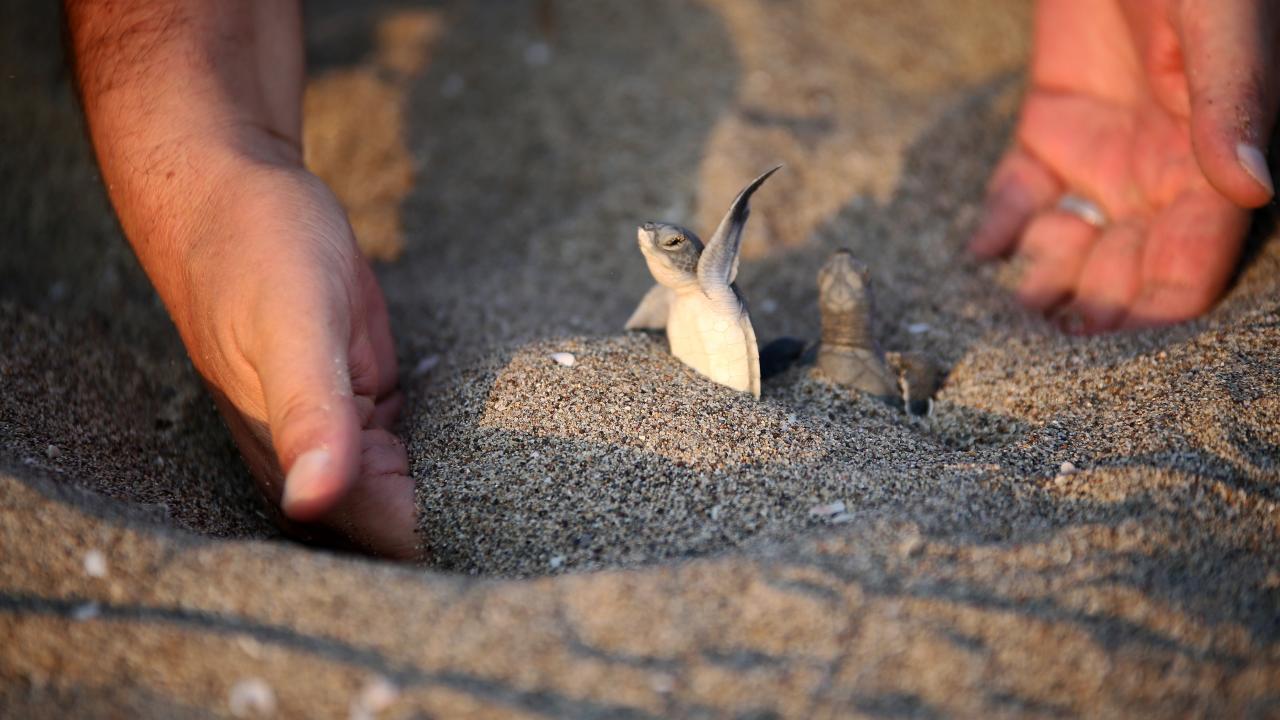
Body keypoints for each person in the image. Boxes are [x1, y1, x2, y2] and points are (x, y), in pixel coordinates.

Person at [63, 0, 1276, 558]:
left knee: (806, 369)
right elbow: (665, 293)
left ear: (696, 258)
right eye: (669, 255)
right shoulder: (668, 294)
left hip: (755, 374)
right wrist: (212, 161)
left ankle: (860, 384)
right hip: (702, 360)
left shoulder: (707, 277)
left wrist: (221, 145)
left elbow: (720, 241)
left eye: (676, 250)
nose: (664, 257)